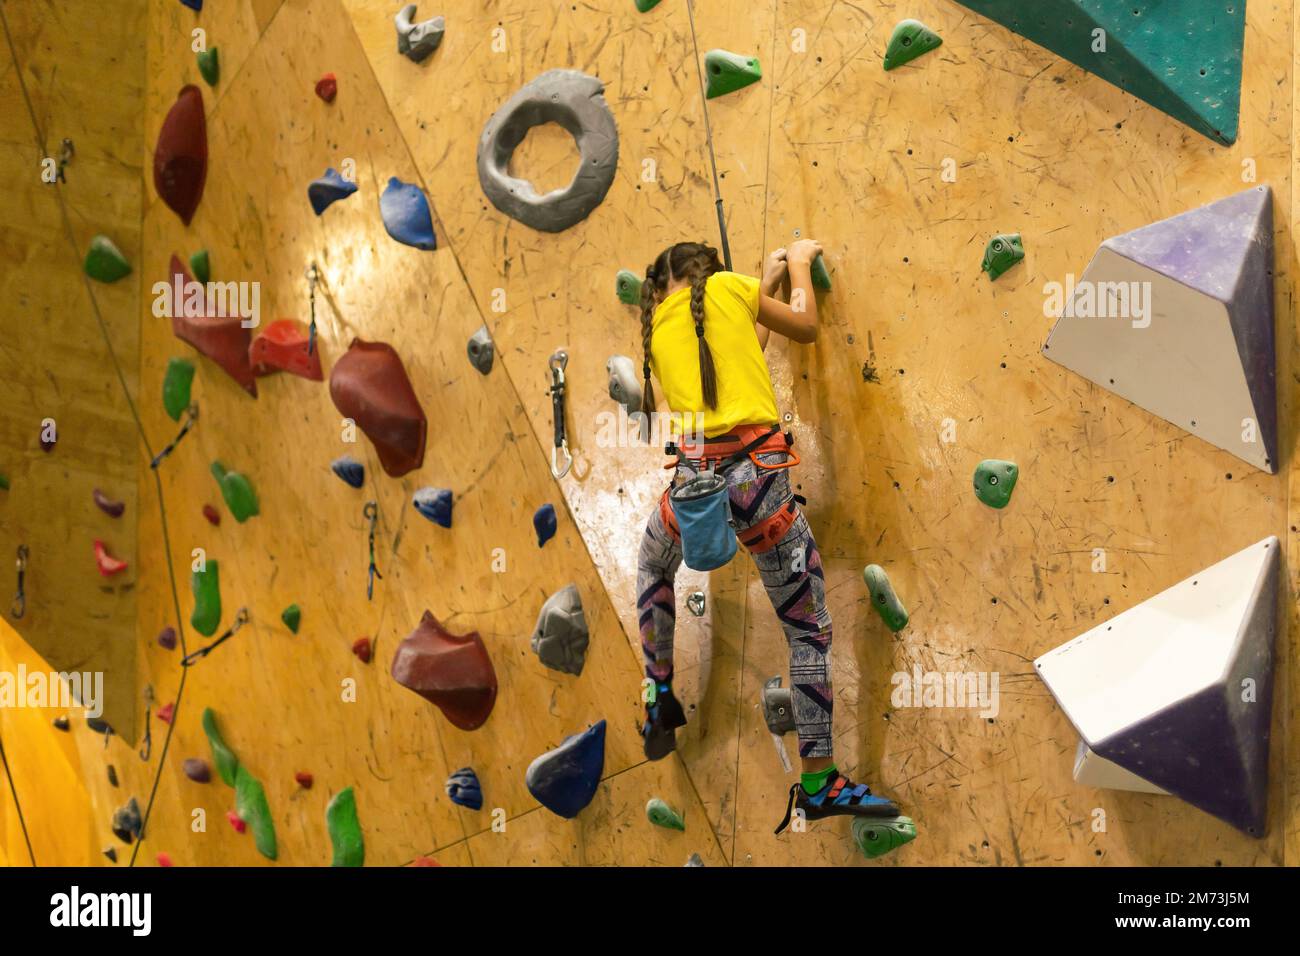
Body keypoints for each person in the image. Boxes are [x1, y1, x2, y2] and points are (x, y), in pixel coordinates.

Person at [633, 240, 901, 831]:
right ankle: (818, 780)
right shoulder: (730, 289)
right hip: (761, 488)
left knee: (654, 568)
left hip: (694, 491)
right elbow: (804, 328)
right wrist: (797, 264)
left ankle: (658, 692)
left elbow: (737, 357)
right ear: (712, 275)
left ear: (662, 287)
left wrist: (765, 288)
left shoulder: (657, 331)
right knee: (807, 632)